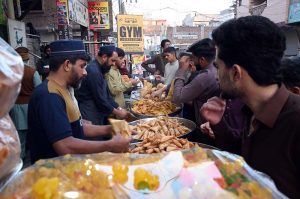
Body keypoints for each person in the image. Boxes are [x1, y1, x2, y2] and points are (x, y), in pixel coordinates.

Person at [201, 16, 300, 198]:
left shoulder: (295, 121)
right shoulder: (251, 110)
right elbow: (247, 162)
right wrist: (220, 126)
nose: (216, 75)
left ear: (236, 72)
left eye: (218, 66)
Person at [27, 40, 130, 163]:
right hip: (53, 176)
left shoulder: (65, 89)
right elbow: (65, 145)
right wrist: (109, 145)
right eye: (82, 66)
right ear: (67, 65)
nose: (85, 72)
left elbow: (78, 127)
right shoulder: (49, 96)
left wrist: (112, 128)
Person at [172, 38, 220, 143]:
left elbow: (177, 97)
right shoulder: (215, 70)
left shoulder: (206, 76)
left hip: (206, 129)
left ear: (202, 60)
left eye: (193, 58)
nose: (192, 62)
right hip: (212, 126)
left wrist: (181, 70)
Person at [75, 45, 129, 126]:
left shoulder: (100, 69)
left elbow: (106, 94)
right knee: (95, 137)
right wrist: (117, 112)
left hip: (98, 112)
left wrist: (118, 107)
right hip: (90, 112)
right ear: (104, 57)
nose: (113, 64)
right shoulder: (94, 71)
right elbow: (100, 99)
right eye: (112, 60)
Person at [9, 47, 42, 160]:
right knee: (33, 134)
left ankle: (19, 158)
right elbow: (39, 90)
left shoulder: (10, 72)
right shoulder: (33, 72)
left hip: (15, 106)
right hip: (30, 106)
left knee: (19, 136)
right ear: (27, 59)